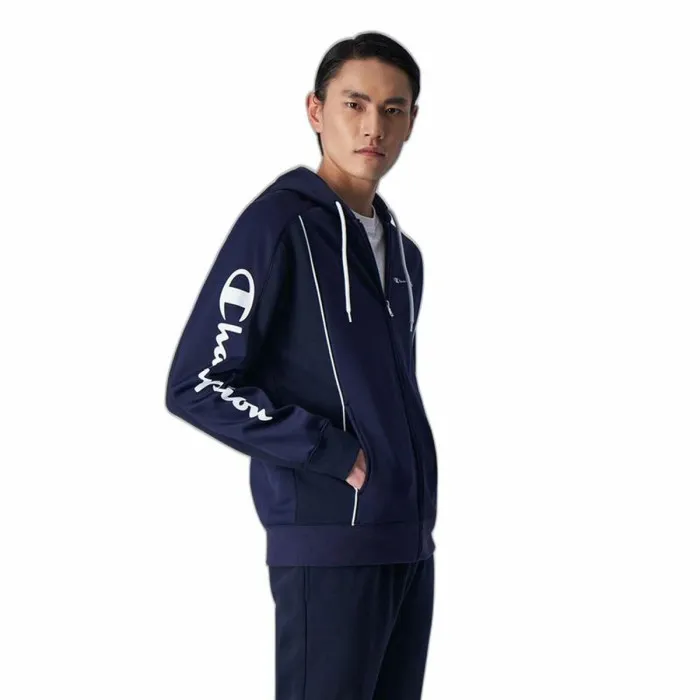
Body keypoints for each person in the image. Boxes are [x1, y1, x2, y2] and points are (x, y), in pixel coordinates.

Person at [165, 31, 438, 700]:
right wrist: (325, 450)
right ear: (316, 111)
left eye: (393, 109)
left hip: (409, 542)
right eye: (355, 104)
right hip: (329, 544)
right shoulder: (276, 227)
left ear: (411, 121)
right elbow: (198, 382)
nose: (373, 127)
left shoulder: (405, 257)